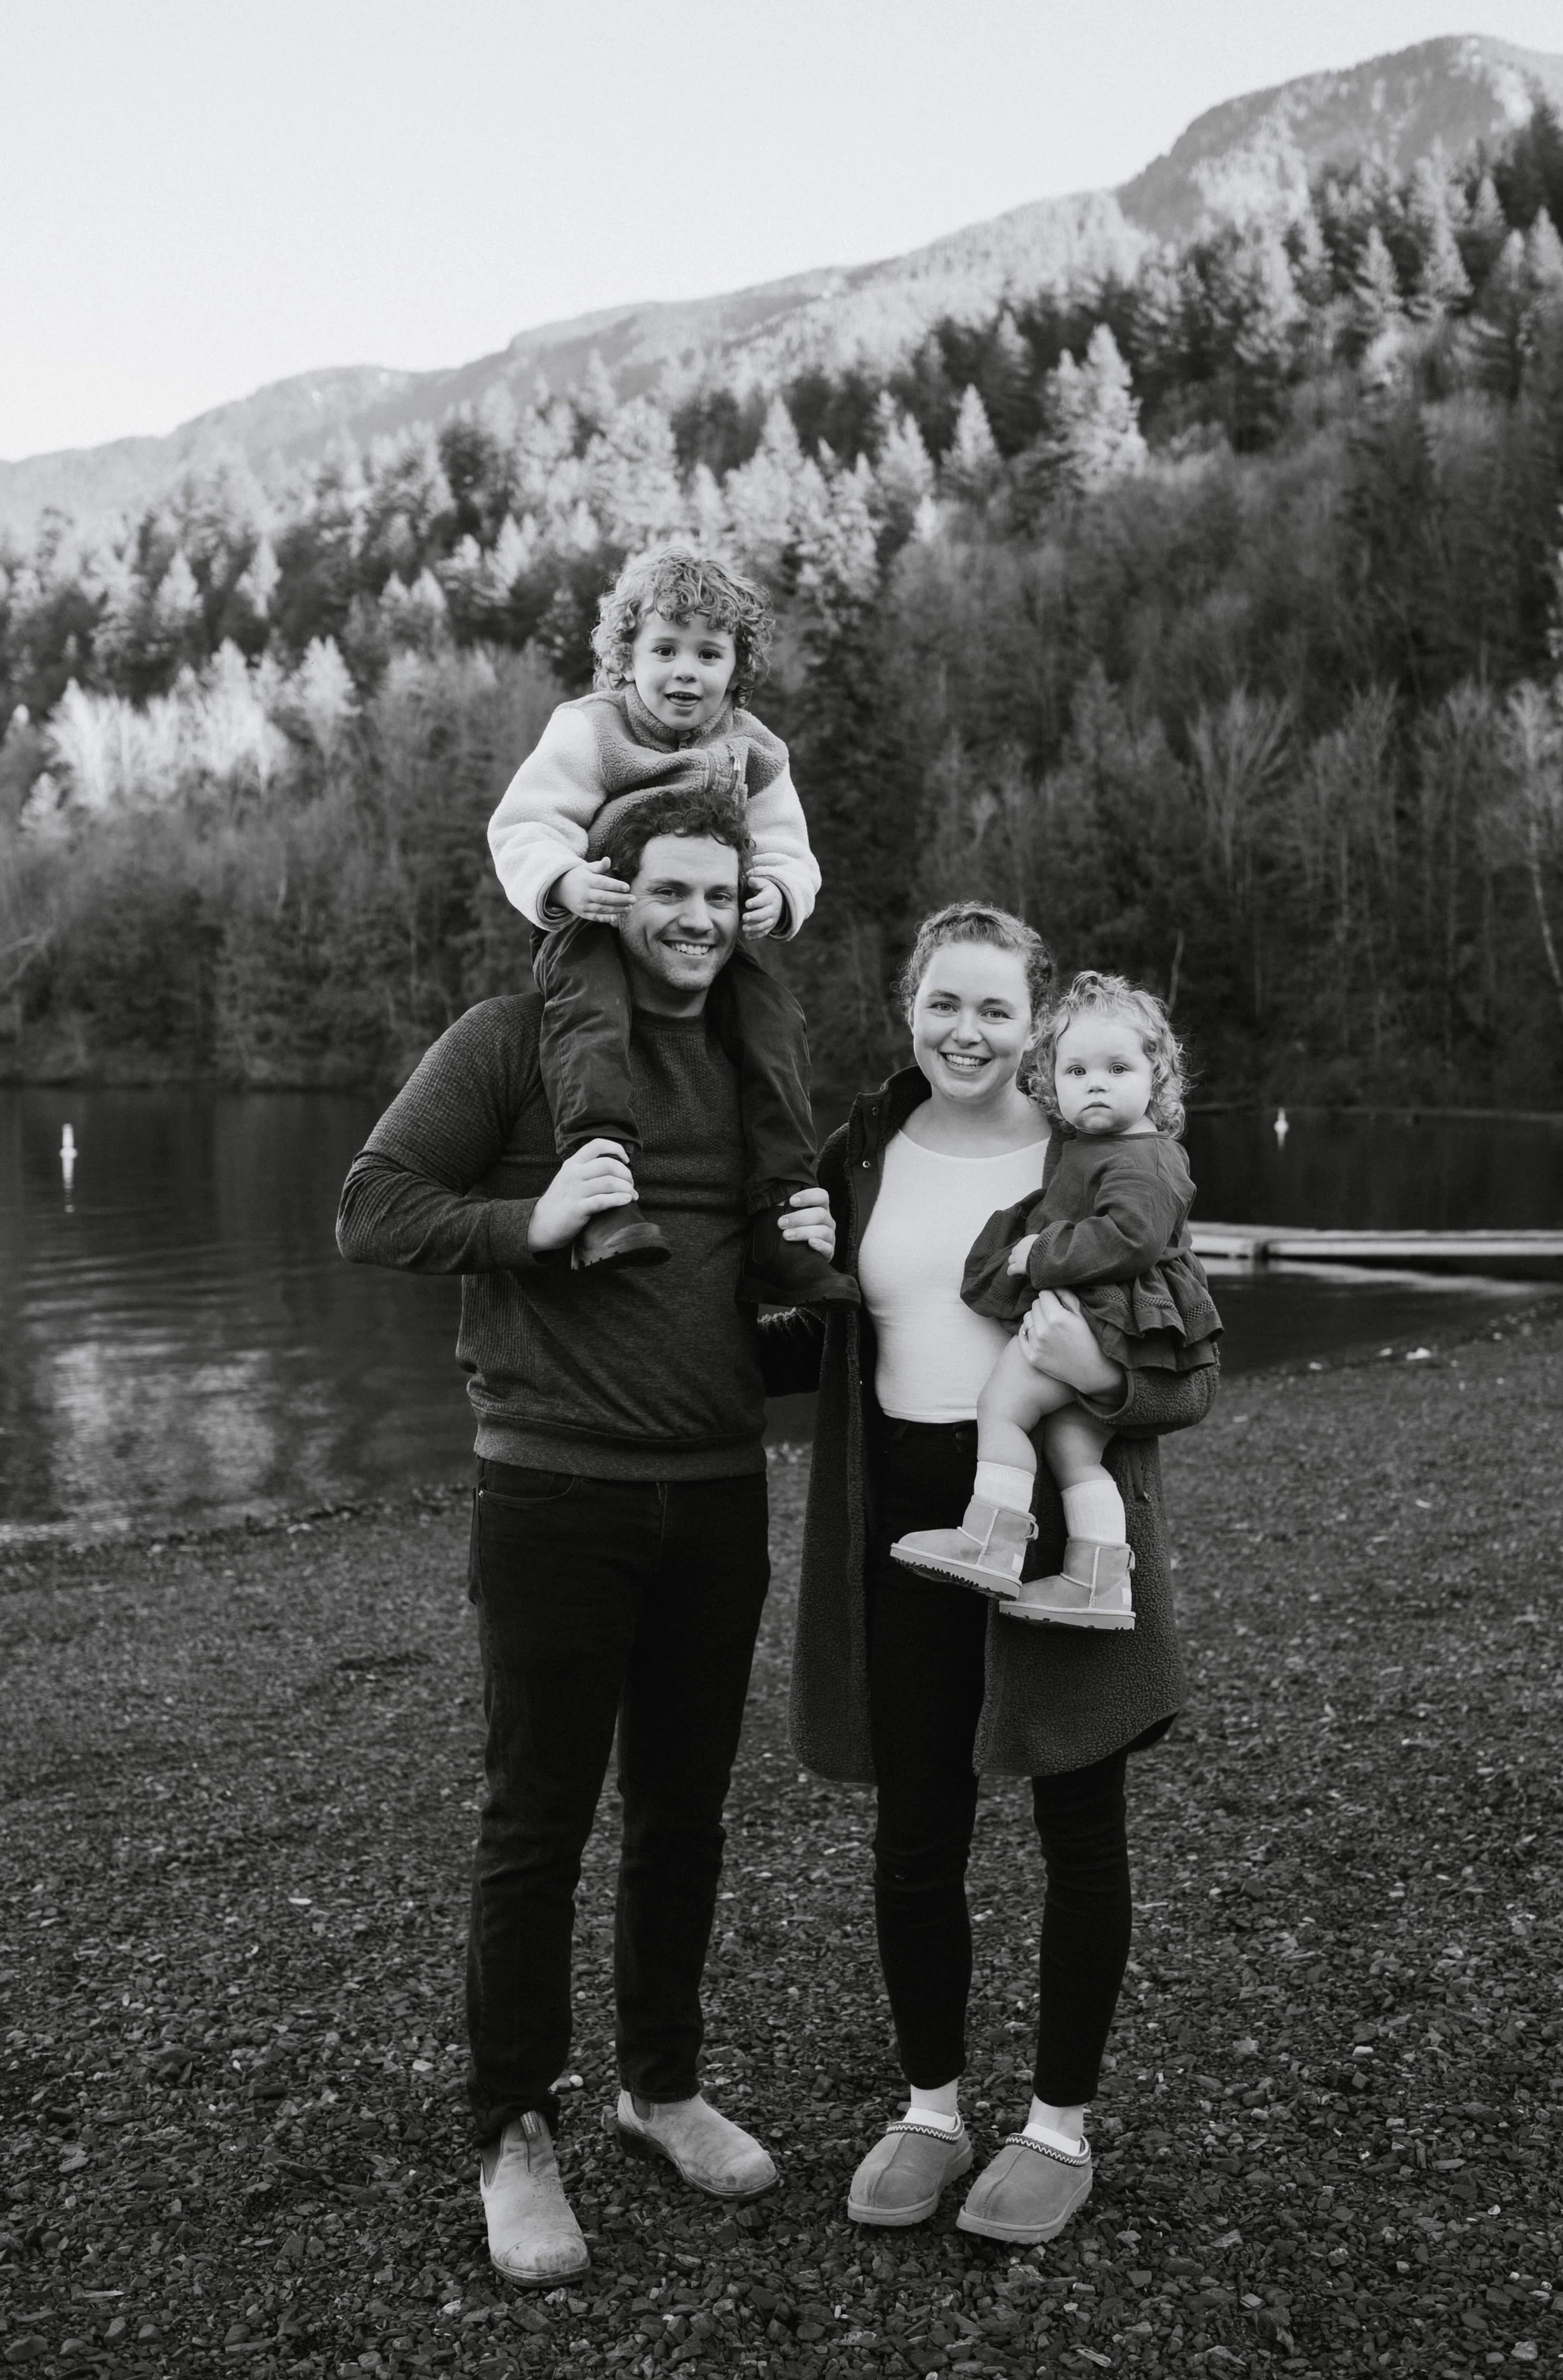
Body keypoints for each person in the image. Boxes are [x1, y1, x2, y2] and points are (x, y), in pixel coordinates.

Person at [336, 787, 838, 2287]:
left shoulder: (756, 1055)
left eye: (717, 892)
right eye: (665, 889)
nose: (692, 917)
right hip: (553, 1487)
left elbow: (757, 1294)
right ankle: (512, 2125)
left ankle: (659, 2082)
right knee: (536, 1815)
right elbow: (372, 1206)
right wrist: (531, 1222)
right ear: (610, 892)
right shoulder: (511, 1039)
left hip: (718, 1485)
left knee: (684, 1808)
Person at [759, 902, 1218, 2246]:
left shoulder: (1093, 1151)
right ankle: (929, 2110)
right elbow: (820, 1334)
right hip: (900, 1520)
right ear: (909, 1006)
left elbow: (1187, 1366)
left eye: (994, 1011)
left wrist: (1104, 1374)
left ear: (1035, 1028)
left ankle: (1057, 2128)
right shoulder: (857, 1151)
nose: (965, 1031)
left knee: (1077, 1829)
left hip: (1058, 1512)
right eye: (941, 1004)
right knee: (915, 1831)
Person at [487, 545, 854, 1308]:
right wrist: (563, 879)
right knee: (591, 1020)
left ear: (736, 666)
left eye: (707, 653)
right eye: (664, 650)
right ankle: (605, 1197)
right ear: (626, 657)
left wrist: (780, 892)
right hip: (596, 926)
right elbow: (524, 824)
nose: (685, 671)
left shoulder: (755, 749)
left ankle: (780, 1219)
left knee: (775, 1022)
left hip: (701, 941)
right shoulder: (591, 729)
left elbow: (791, 847)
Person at [893, 969, 1220, 1627]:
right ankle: (1097, 1577)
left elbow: (1131, 1237)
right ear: (1051, 1082)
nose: (1094, 1083)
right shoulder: (1099, 1147)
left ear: (1158, 1078)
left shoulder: (1140, 1158)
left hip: (1093, 1318)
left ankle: (991, 1540)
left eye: (1117, 1068)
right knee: (1075, 1450)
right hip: (1113, 1322)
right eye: (1076, 1072)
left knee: (1003, 1408)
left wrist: (1039, 1253)